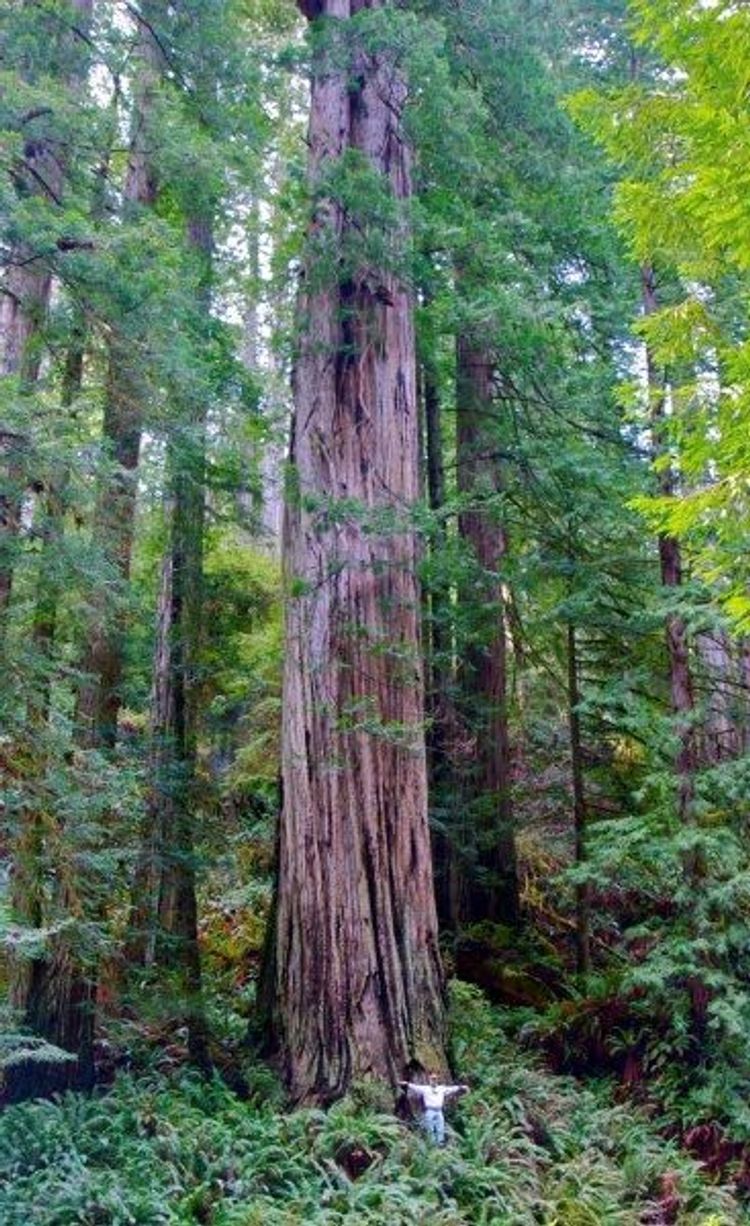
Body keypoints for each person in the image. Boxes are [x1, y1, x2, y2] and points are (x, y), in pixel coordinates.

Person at [398, 1072, 469, 1145]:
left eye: (435, 1079)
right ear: (429, 1080)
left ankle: (440, 1144)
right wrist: (406, 1084)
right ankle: (432, 1145)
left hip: (439, 1111)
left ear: (437, 1080)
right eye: (432, 1079)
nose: (434, 1080)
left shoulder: (441, 1089)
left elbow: (452, 1089)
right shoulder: (425, 1089)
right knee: (430, 1129)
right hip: (430, 1111)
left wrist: (462, 1087)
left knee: (440, 1128)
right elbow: (415, 1087)